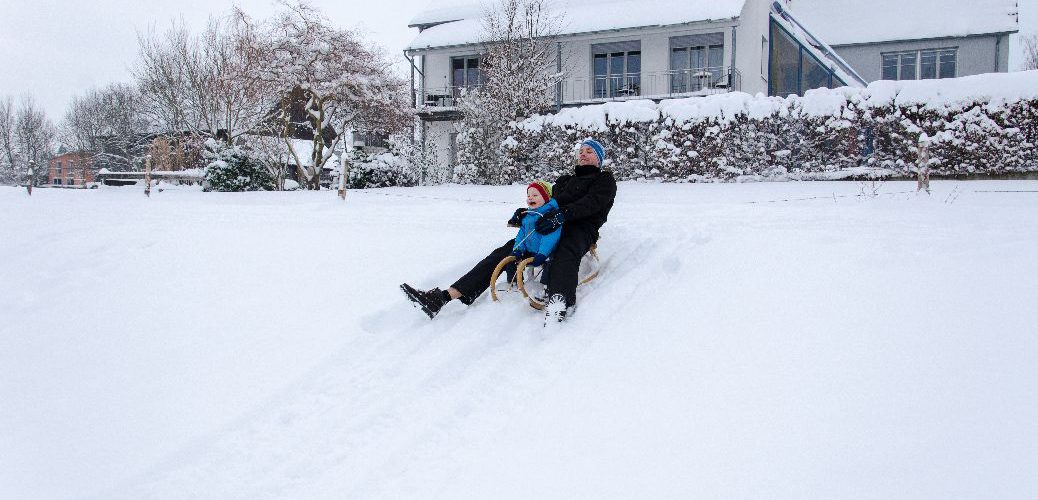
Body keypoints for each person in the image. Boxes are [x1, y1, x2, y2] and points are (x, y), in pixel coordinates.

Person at [401, 139, 617, 323]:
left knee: (566, 248)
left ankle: (560, 303)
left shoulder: (604, 180)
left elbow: (592, 203)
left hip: (580, 228)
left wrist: (563, 215)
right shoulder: (564, 181)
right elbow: (548, 203)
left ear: (599, 158)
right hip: (550, 224)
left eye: (589, 151)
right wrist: (528, 213)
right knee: (505, 250)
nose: (583, 154)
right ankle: (443, 297)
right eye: (581, 151)